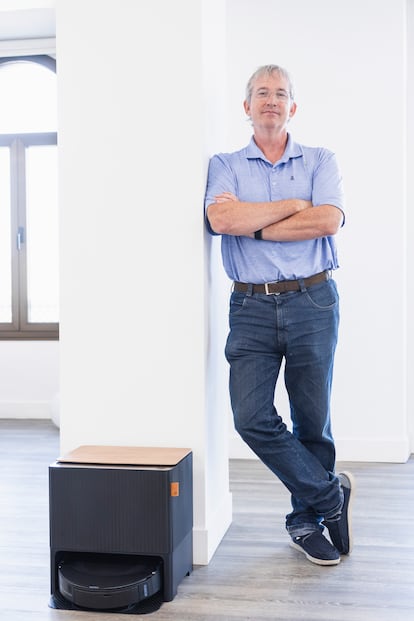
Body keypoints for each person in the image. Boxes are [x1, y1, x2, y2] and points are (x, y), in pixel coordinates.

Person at [204, 64, 354, 566]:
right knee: (250, 416)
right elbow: (221, 218)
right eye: (261, 93)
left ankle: (305, 520)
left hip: (313, 299)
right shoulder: (224, 164)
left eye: (281, 93)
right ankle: (329, 496)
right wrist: (292, 206)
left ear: (294, 107)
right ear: (246, 106)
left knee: (313, 420)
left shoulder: (320, 159)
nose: (271, 100)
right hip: (249, 304)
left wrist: (258, 225)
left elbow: (329, 218)